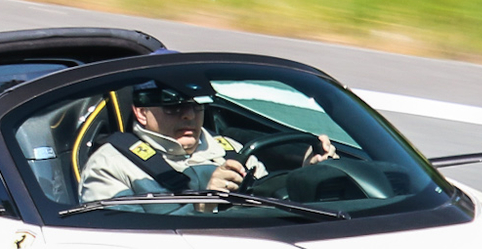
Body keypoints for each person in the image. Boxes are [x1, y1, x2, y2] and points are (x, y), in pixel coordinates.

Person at [77, 81, 331, 207]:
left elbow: (274, 198)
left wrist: (308, 176)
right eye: (173, 107)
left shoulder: (231, 150)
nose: (188, 115)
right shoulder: (110, 164)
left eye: (196, 105)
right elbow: (113, 242)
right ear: (142, 112)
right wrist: (202, 205)